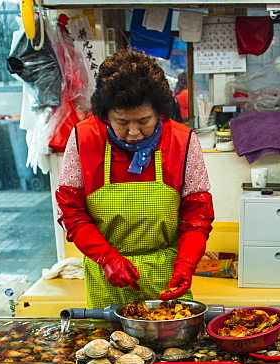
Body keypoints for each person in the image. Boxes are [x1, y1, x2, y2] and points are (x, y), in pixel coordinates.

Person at [56, 50, 213, 308]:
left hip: (168, 274)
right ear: (106, 114)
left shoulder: (182, 141)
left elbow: (197, 216)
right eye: (121, 122)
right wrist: (107, 258)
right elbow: (71, 212)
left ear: (160, 112)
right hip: (107, 278)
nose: (133, 132)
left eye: (144, 120)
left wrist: (186, 264)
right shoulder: (83, 139)